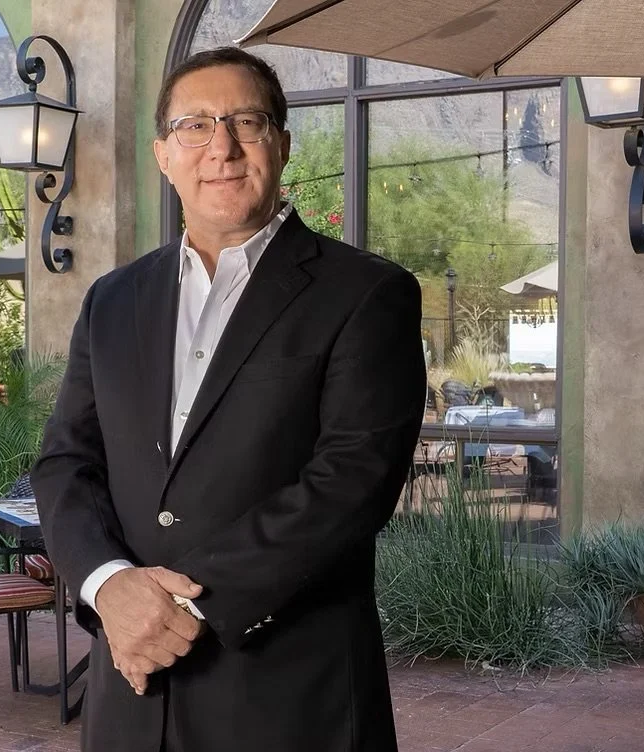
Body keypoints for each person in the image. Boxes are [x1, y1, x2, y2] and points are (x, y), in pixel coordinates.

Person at [32, 46, 426, 752]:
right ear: (163, 153)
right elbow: (67, 462)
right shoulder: (112, 301)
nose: (222, 146)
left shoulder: (367, 294)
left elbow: (352, 484)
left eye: (246, 120)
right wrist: (108, 584)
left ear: (281, 142)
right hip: (130, 701)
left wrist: (171, 608)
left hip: (290, 702)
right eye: (195, 125)